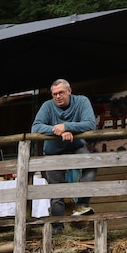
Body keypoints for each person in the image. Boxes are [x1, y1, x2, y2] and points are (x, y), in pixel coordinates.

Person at [31, 79, 98, 217]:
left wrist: (67, 126)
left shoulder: (81, 101)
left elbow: (90, 124)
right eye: (54, 94)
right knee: (56, 189)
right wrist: (57, 130)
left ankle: (82, 205)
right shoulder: (47, 106)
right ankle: (58, 226)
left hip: (76, 146)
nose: (58, 96)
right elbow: (35, 127)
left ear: (69, 91)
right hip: (53, 151)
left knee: (91, 164)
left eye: (61, 92)